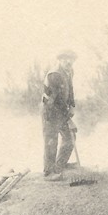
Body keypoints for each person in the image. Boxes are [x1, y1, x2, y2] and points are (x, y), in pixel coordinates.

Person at [41, 50, 77, 180]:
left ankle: (60, 165)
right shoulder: (54, 75)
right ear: (60, 60)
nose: (68, 62)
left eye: (71, 59)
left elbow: (70, 90)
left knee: (70, 136)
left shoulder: (69, 71)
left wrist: (72, 105)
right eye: (65, 59)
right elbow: (55, 101)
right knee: (51, 141)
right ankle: (49, 172)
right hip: (50, 111)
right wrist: (68, 119)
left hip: (61, 110)